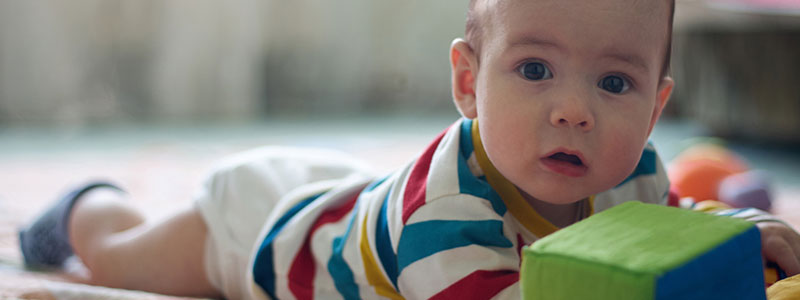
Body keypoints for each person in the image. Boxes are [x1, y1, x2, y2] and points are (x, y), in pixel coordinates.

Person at [18, 0, 800, 299]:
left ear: (659, 107)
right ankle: (82, 207)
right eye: (534, 70)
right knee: (112, 261)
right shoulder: (446, 213)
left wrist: (731, 240)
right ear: (468, 82)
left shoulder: (636, 172)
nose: (574, 111)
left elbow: (663, 235)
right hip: (261, 234)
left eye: (616, 85)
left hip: (352, 199)